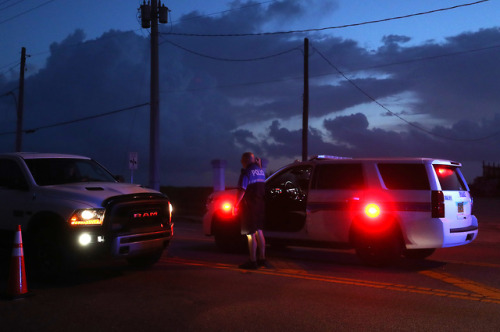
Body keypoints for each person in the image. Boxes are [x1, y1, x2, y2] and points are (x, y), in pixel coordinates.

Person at [234, 152, 267, 270]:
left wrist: (235, 205)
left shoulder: (246, 172)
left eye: (243, 161)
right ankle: (262, 259)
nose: (242, 163)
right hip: (259, 206)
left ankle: (252, 261)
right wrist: (260, 166)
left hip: (249, 207)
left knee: (250, 235)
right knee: (259, 232)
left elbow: (242, 191)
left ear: (246, 160)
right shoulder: (261, 171)